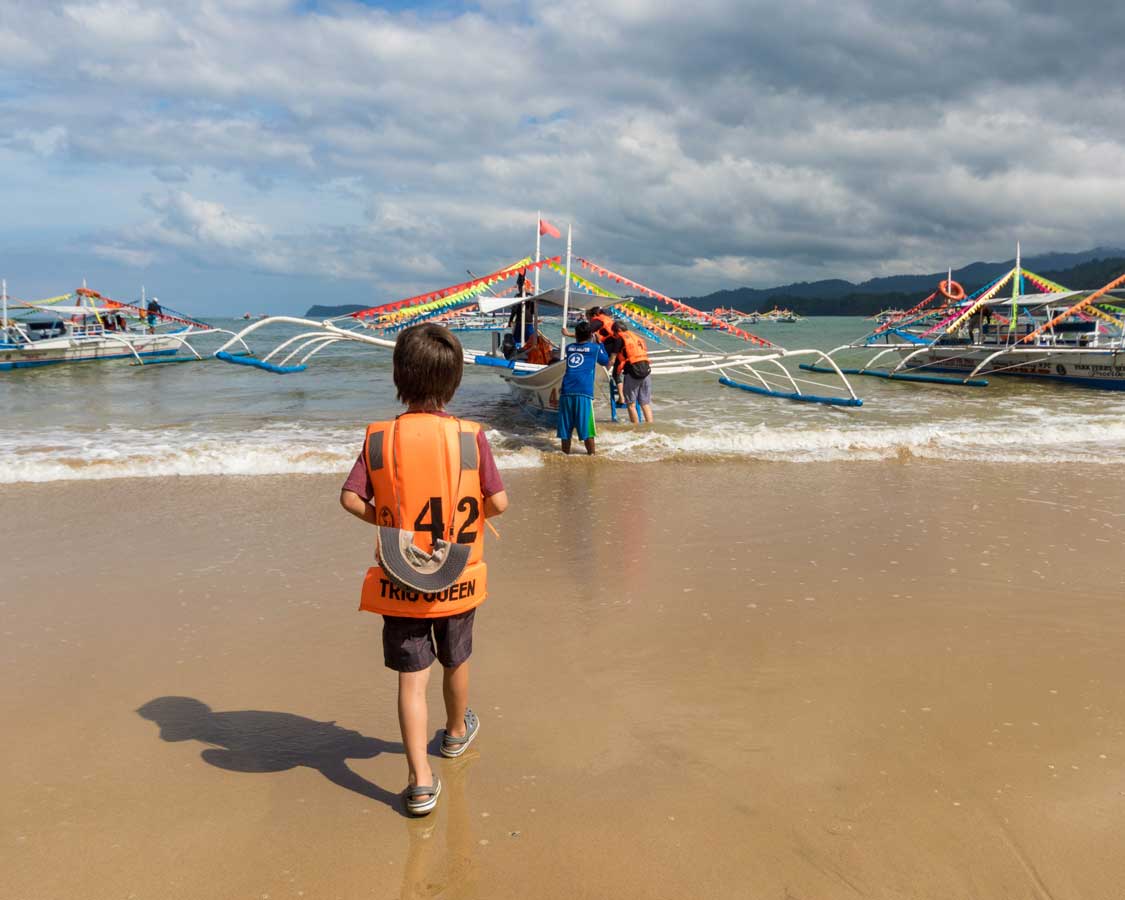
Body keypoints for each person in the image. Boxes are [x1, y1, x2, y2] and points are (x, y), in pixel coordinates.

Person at [339, 323, 509, 816]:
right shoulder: (469, 438)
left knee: (411, 679)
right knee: (456, 660)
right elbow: (498, 501)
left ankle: (419, 782)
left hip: (399, 574)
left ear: (399, 376)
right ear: (453, 381)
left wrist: (392, 526)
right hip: (457, 573)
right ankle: (456, 734)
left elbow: (350, 498)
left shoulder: (380, 440)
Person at [558, 320, 609, 455]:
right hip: (583, 392)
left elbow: (580, 343)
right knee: (587, 430)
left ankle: (565, 457)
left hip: (566, 391)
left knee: (566, 430)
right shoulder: (595, 349)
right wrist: (600, 343)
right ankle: (592, 457)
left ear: (576, 334)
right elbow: (606, 361)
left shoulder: (569, 348)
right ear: (591, 335)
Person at [612, 320, 654, 423]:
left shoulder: (620, 338)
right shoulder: (637, 337)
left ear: (618, 330)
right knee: (645, 404)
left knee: (631, 404)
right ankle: (651, 427)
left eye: (614, 333)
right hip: (646, 371)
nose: (614, 335)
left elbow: (612, 358)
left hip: (632, 373)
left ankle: (636, 429)